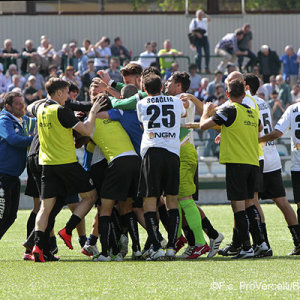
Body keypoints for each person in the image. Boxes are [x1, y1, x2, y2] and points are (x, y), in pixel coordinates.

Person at [187, 79, 267, 259]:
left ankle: (246, 247)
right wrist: (228, 132)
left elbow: (203, 126)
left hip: (236, 162)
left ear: (228, 94)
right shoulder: (252, 111)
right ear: (244, 94)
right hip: (253, 161)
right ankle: (259, 243)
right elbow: (259, 128)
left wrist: (206, 112)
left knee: (237, 206)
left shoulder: (230, 109)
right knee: (249, 204)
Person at [28, 78, 103, 262]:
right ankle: (68, 230)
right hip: (67, 164)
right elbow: (85, 130)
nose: (69, 97)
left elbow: (30, 108)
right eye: (67, 92)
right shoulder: (61, 110)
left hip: (47, 164)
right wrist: (92, 112)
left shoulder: (41, 109)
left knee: (45, 208)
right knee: (91, 196)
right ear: (59, 92)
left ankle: (37, 246)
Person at [165, 71, 224, 258]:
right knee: (179, 200)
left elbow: (208, 111)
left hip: (185, 152)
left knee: (183, 199)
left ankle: (200, 242)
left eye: (170, 81)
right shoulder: (176, 100)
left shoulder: (183, 100)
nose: (166, 83)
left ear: (178, 85)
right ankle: (203, 239)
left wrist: (193, 98)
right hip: (179, 153)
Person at [136, 73, 186, 261]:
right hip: (173, 153)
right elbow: (181, 114)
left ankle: (156, 246)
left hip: (152, 151)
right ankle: (172, 247)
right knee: (171, 199)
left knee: (149, 201)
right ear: (161, 86)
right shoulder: (175, 101)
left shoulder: (142, 103)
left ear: (145, 88)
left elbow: (143, 125)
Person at [259, 101, 300, 255]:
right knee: (282, 202)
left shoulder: (292, 109)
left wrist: (255, 140)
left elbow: (277, 133)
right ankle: (298, 242)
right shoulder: (262, 102)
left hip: (296, 163)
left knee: (248, 201)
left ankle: (261, 244)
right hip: (274, 160)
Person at [0, 92, 33, 241]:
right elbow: (13, 139)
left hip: (13, 176)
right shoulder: (4, 120)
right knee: (2, 215)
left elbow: (38, 120)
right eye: (18, 104)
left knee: (11, 216)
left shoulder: (22, 120)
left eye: (22, 102)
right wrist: (32, 139)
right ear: (8, 106)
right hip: (2, 175)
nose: (22, 106)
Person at [189, 9, 211, 73]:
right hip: (197, 39)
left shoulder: (204, 20)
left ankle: (207, 67)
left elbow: (209, 19)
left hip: (204, 38)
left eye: (201, 15)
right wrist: (197, 33)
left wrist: (205, 14)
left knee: (207, 53)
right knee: (199, 54)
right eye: (199, 15)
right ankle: (199, 68)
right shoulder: (194, 21)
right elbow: (191, 30)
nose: (200, 16)